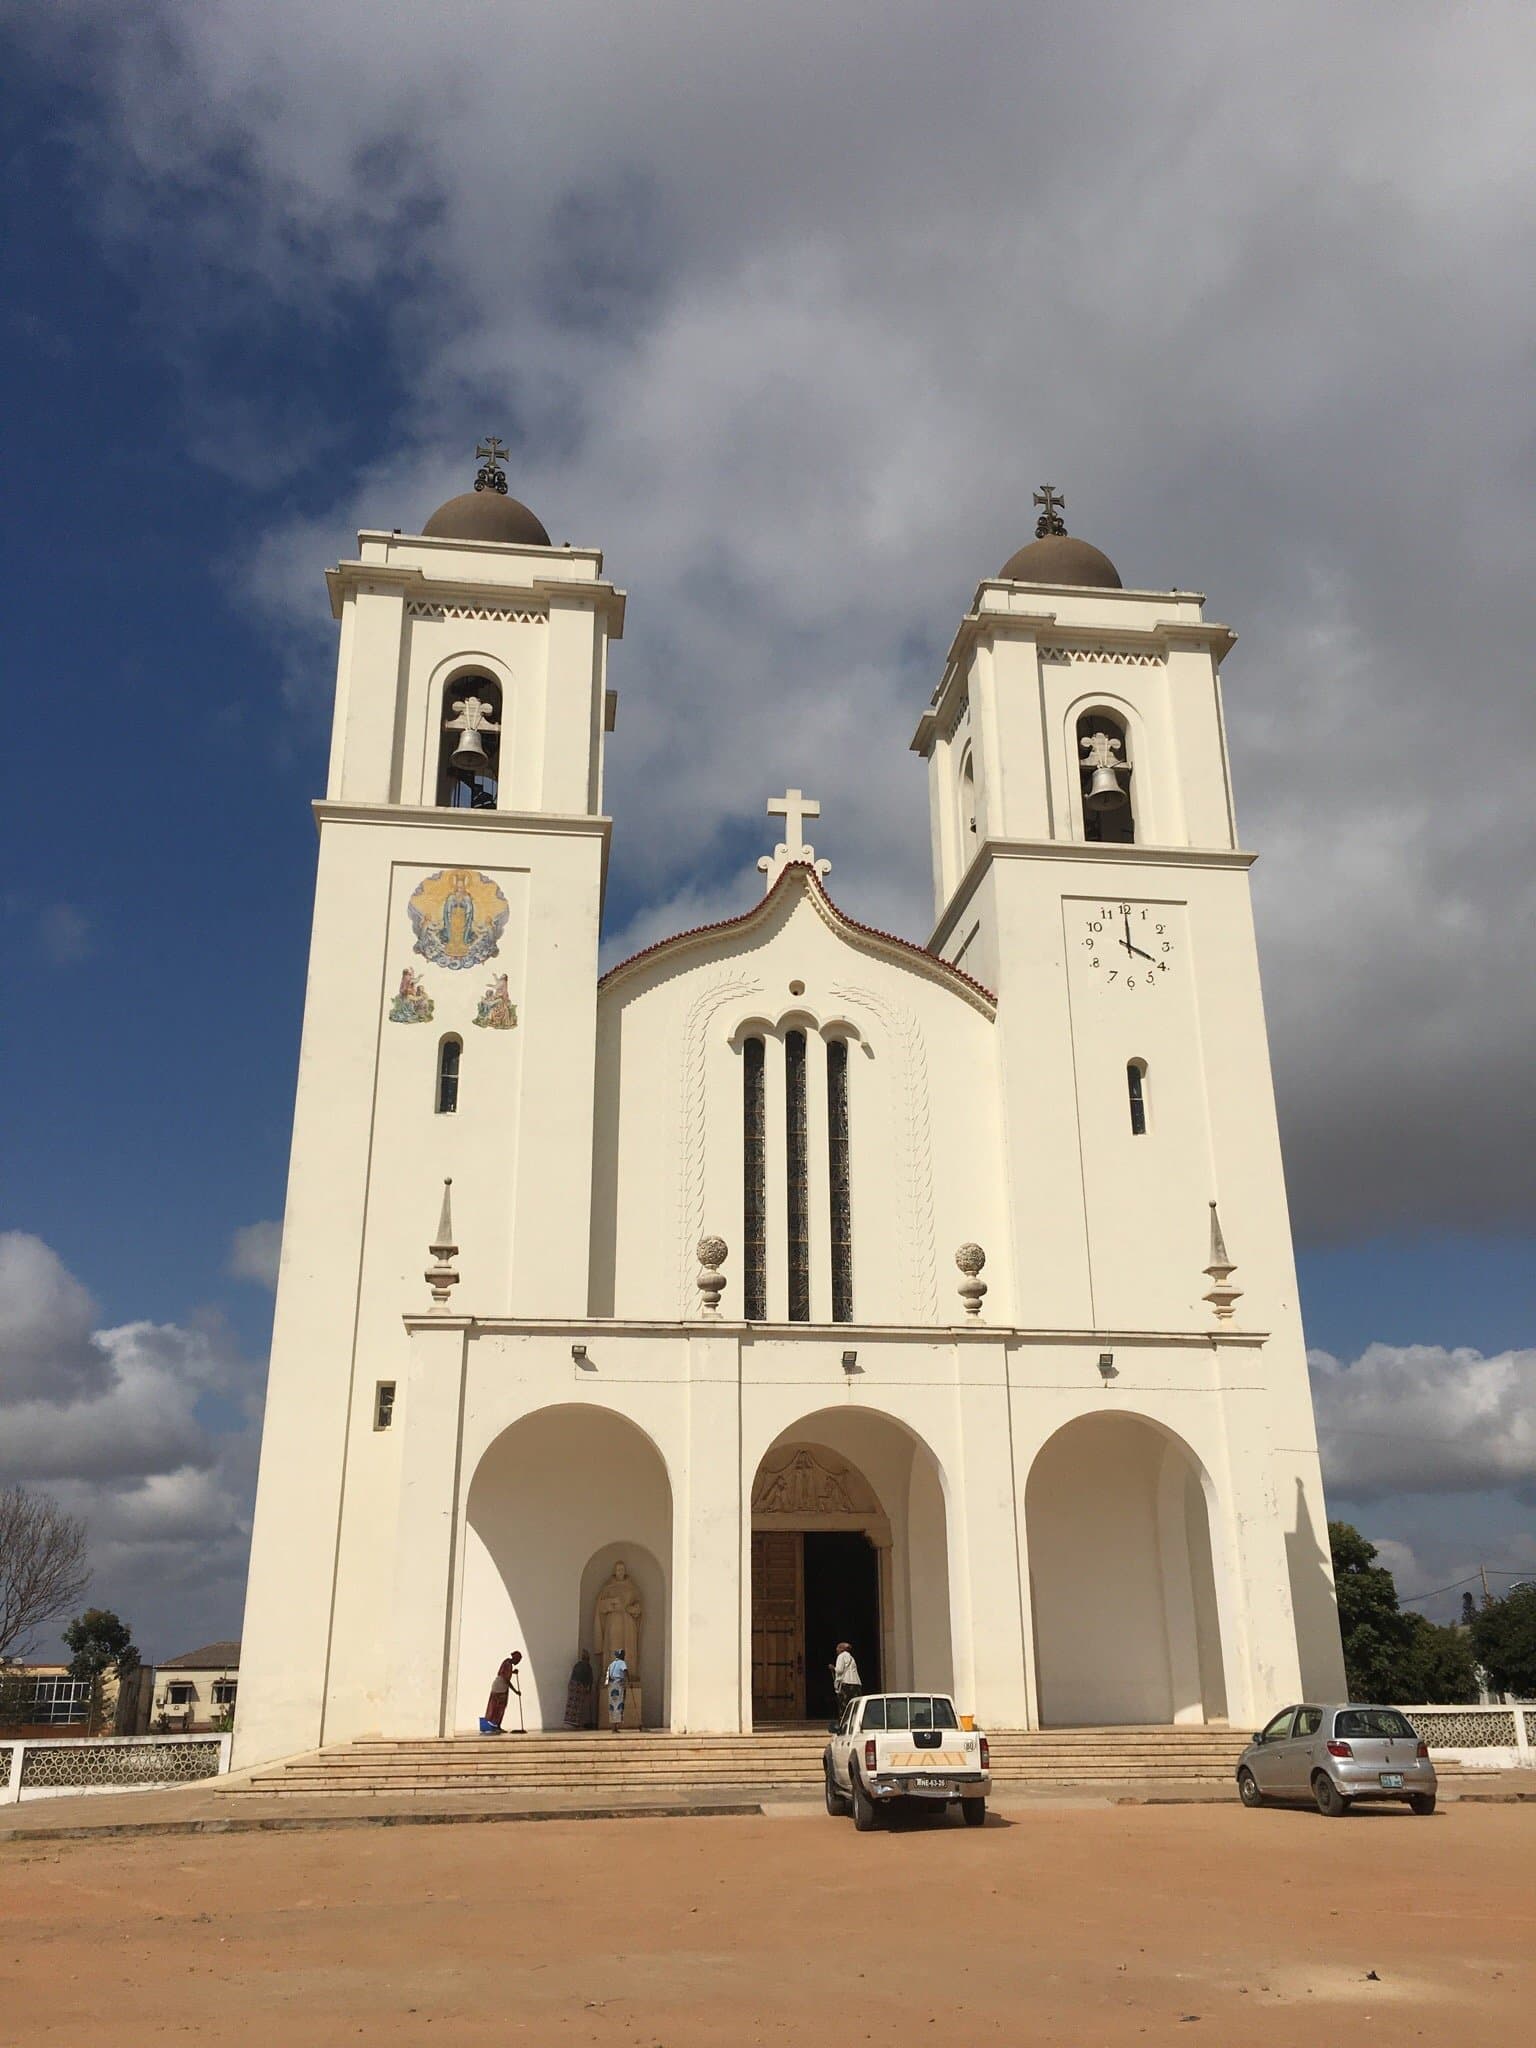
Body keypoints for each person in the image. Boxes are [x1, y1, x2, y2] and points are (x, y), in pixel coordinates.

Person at [480, 1649, 522, 1734]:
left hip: (497, 1685)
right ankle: (496, 1726)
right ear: (515, 1658)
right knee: (499, 1708)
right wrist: (516, 1691)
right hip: (501, 1688)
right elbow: (507, 1680)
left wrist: (512, 1672)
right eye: (518, 1660)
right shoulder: (509, 1665)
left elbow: (503, 1672)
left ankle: (493, 1726)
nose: (518, 1662)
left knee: (494, 1707)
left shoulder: (507, 1661)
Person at [830, 1641, 862, 1729]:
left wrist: (833, 1668)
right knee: (855, 1707)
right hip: (856, 1684)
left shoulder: (841, 1656)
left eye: (837, 1648)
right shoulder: (851, 1657)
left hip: (846, 1684)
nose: (836, 1650)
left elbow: (840, 1670)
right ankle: (855, 1726)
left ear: (841, 1649)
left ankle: (844, 1726)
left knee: (844, 1707)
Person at [604, 1648, 629, 1732]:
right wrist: (628, 1681)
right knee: (619, 1705)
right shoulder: (622, 1663)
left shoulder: (611, 1664)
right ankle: (615, 1727)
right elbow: (625, 1671)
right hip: (618, 1685)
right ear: (621, 1655)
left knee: (612, 1705)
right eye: (623, 1655)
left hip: (611, 1685)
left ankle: (613, 1727)